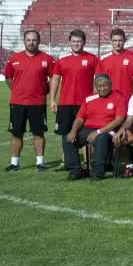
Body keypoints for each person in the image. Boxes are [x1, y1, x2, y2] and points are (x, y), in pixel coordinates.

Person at [3, 29, 53, 172]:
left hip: (37, 103)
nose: (31, 43)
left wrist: (43, 92)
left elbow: (53, 79)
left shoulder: (47, 59)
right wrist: (18, 90)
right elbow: (8, 78)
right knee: (16, 133)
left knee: (38, 133)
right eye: (28, 40)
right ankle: (14, 163)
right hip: (18, 103)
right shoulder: (14, 59)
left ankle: (40, 163)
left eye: (34, 40)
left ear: (39, 41)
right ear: (24, 41)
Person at [49, 29, 98, 169]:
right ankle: (66, 162)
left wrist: (94, 100)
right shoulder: (61, 59)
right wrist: (52, 99)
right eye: (74, 41)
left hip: (85, 104)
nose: (76, 44)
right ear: (69, 42)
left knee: (85, 133)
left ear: (84, 42)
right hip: (65, 103)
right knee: (65, 133)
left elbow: (97, 81)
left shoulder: (92, 59)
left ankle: (87, 162)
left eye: (79, 41)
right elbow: (55, 79)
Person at [63, 74, 126, 181]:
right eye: (99, 86)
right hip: (89, 129)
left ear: (110, 84)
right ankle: (75, 170)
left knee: (100, 138)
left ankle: (98, 172)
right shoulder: (89, 99)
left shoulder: (119, 98)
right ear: (95, 87)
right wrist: (73, 131)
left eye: (105, 85)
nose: (102, 88)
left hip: (109, 130)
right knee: (67, 138)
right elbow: (79, 118)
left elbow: (119, 120)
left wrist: (98, 131)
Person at [95, 28, 133, 102]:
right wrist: (98, 98)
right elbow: (97, 80)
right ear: (111, 41)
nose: (117, 43)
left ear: (124, 40)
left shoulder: (132, 57)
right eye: (115, 40)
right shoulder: (103, 59)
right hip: (107, 97)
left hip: (126, 98)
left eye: (120, 40)